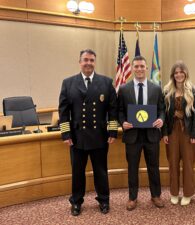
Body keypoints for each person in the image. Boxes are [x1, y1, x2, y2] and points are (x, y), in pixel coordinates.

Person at [58, 49, 118, 216]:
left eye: (91, 60)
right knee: (77, 172)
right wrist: (66, 134)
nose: (88, 63)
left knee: (101, 171)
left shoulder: (106, 82)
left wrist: (112, 131)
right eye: (85, 60)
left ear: (94, 62)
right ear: (79, 62)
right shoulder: (68, 83)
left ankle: (104, 200)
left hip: (99, 136)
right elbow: (63, 111)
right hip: (77, 138)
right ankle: (76, 202)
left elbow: (112, 109)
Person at [118, 55, 165, 211]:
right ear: (132, 68)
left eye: (142, 66)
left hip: (151, 135)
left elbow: (162, 109)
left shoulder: (156, 88)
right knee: (132, 168)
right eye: (136, 66)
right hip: (132, 135)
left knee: (154, 167)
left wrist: (161, 120)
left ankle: (156, 195)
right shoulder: (124, 89)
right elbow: (119, 111)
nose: (139, 69)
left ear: (146, 68)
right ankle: (132, 198)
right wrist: (122, 122)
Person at [162, 61, 195, 206]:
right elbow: (164, 114)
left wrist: (194, 135)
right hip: (172, 131)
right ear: (173, 75)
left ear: (185, 73)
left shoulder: (193, 90)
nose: (178, 75)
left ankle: (188, 193)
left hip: (187, 131)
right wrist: (164, 133)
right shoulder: (166, 91)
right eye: (176, 72)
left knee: (188, 163)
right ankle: (174, 193)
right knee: (173, 162)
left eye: (181, 72)